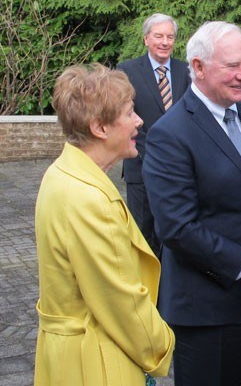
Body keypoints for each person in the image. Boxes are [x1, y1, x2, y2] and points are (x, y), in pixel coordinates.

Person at [142, 21, 241, 386]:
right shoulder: (170, 134)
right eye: (233, 66)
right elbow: (176, 227)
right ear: (197, 67)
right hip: (208, 311)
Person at [34, 63, 174, 386]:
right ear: (100, 128)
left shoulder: (61, 173)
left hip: (66, 358)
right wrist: (164, 344)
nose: (139, 121)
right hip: (95, 365)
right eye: (129, 113)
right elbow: (122, 303)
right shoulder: (90, 199)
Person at [117, 13, 190, 256]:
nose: (165, 41)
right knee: (142, 235)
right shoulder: (127, 71)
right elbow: (123, 118)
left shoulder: (186, 71)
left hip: (179, 170)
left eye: (170, 36)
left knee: (172, 233)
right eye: (158, 36)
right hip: (141, 168)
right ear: (146, 38)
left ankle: (168, 288)